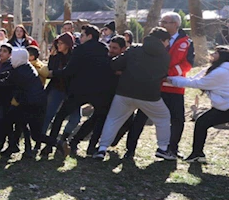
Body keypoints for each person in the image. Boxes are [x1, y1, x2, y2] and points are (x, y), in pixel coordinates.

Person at [94, 28, 176, 161]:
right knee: (163, 118)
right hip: (150, 95)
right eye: (167, 41)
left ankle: (102, 149)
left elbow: (115, 64)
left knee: (113, 119)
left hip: (124, 92)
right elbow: (162, 74)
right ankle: (163, 148)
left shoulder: (135, 49)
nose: (168, 44)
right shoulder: (165, 56)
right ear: (162, 40)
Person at [126, 12, 192, 159]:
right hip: (154, 85)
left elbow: (188, 63)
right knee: (141, 118)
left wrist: (168, 74)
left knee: (177, 120)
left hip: (175, 87)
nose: (161, 24)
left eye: (165, 22)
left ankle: (171, 149)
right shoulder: (153, 40)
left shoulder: (187, 41)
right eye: (161, 21)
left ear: (175, 24)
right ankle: (130, 150)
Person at [42, 24, 114, 157]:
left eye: (82, 35)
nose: (80, 38)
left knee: (59, 117)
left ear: (89, 36)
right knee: (97, 118)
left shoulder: (80, 49)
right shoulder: (104, 48)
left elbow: (69, 71)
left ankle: (51, 145)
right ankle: (83, 145)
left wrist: (53, 73)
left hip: (79, 90)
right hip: (99, 90)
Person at [0, 48, 56, 158]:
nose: (12, 59)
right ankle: (59, 144)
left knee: (4, 122)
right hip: (38, 103)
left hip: (28, 104)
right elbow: (8, 75)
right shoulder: (26, 66)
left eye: (14, 57)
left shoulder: (19, 72)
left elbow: (5, 83)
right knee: (36, 135)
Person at [168, 46, 229, 163]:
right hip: (224, 106)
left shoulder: (220, 72)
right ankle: (198, 154)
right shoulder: (218, 69)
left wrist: (171, 80)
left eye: (216, 53)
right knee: (201, 123)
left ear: (222, 57)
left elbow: (197, 83)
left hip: (226, 108)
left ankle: (197, 153)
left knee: (201, 123)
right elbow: (194, 78)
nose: (212, 54)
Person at [42, 33, 81, 138]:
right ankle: (40, 140)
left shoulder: (74, 55)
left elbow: (69, 72)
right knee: (48, 115)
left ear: (68, 44)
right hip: (56, 88)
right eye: (57, 43)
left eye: (61, 43)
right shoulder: (56, 56)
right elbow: (50, 70)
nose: (58, 45)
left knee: (75, 118)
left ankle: (64, 137)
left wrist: (56, 73)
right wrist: (52, 56)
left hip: (71, 91)